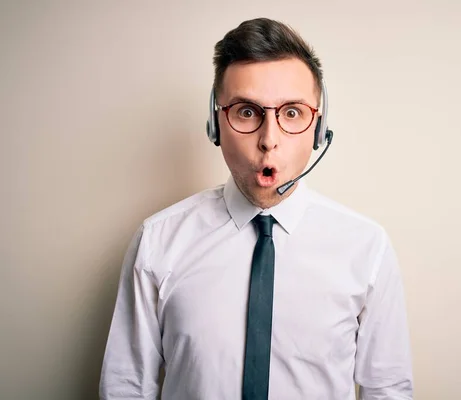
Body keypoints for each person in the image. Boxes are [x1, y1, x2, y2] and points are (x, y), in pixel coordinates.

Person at [99, 17, 413, 400]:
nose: (269, 140)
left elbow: (388, 390)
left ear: (319, 126)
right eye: (247, 112)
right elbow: (125, 387)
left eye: (292, 113)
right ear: (216, 124)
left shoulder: (367, 248)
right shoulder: (158, 242)